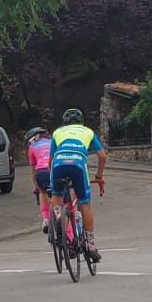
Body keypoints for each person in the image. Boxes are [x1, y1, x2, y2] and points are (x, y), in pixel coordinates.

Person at [49, 108, 107, 261]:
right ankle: (91, 245)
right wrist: (99, 176)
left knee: (56, 194)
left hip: (58, 163)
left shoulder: (57, 132)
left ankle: (59, 217)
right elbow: (102, 156)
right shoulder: (88, 132)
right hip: (78, 164)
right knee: (84, 203)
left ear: (64, 123)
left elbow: (50, 161)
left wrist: (53, 182)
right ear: (82, 122)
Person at [25, 126, 53, 232]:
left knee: (42, 191)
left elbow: (33, 173)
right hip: (55, 169)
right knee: (58, 193)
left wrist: (36, 188)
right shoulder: (53, 142)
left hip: (41, 172)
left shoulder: (32, 147)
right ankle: (59, 213)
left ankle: (46, 219)